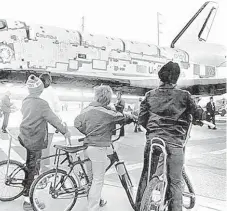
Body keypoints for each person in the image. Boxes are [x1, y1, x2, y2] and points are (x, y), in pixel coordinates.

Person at [135, 61, 204, 211]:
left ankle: (139, 204)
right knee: (175, 181)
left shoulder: (149, 95)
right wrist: (200, 116)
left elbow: (142, 120)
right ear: (176, 78)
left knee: (147, 173)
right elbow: (198, 113)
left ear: (161, 75)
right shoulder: (184, 96)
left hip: (153, 140)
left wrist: (153, 129)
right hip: (174, 141)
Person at [74, 85, 135, 211]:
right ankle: (92, 208)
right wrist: (133, 117)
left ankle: (98, 200)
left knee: (91, 178)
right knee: (98, 180)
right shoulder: (106, 112)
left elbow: (77, 123)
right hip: (98, 147)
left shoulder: (86, 109)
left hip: (86, 146)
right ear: (107, 99)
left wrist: (87, 132)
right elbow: (121, 117)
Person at [18, 75, 71, 210]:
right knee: (34, 169)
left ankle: (26, 184)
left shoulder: (26, 100)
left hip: (24, 136)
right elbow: (53, 119)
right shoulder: (41, 104)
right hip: (34, 139)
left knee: (30, 164)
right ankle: (28, 201)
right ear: (40, 89)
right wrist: (65, 131)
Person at [39, 73, 62, 171]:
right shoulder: (52, 92)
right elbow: (57, 109)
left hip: (40, 125)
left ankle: (39, 171)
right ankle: (44, 173)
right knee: (45, 150)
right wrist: (58, 124)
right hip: (49, 126)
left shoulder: (39, 91)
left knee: (39, 150)